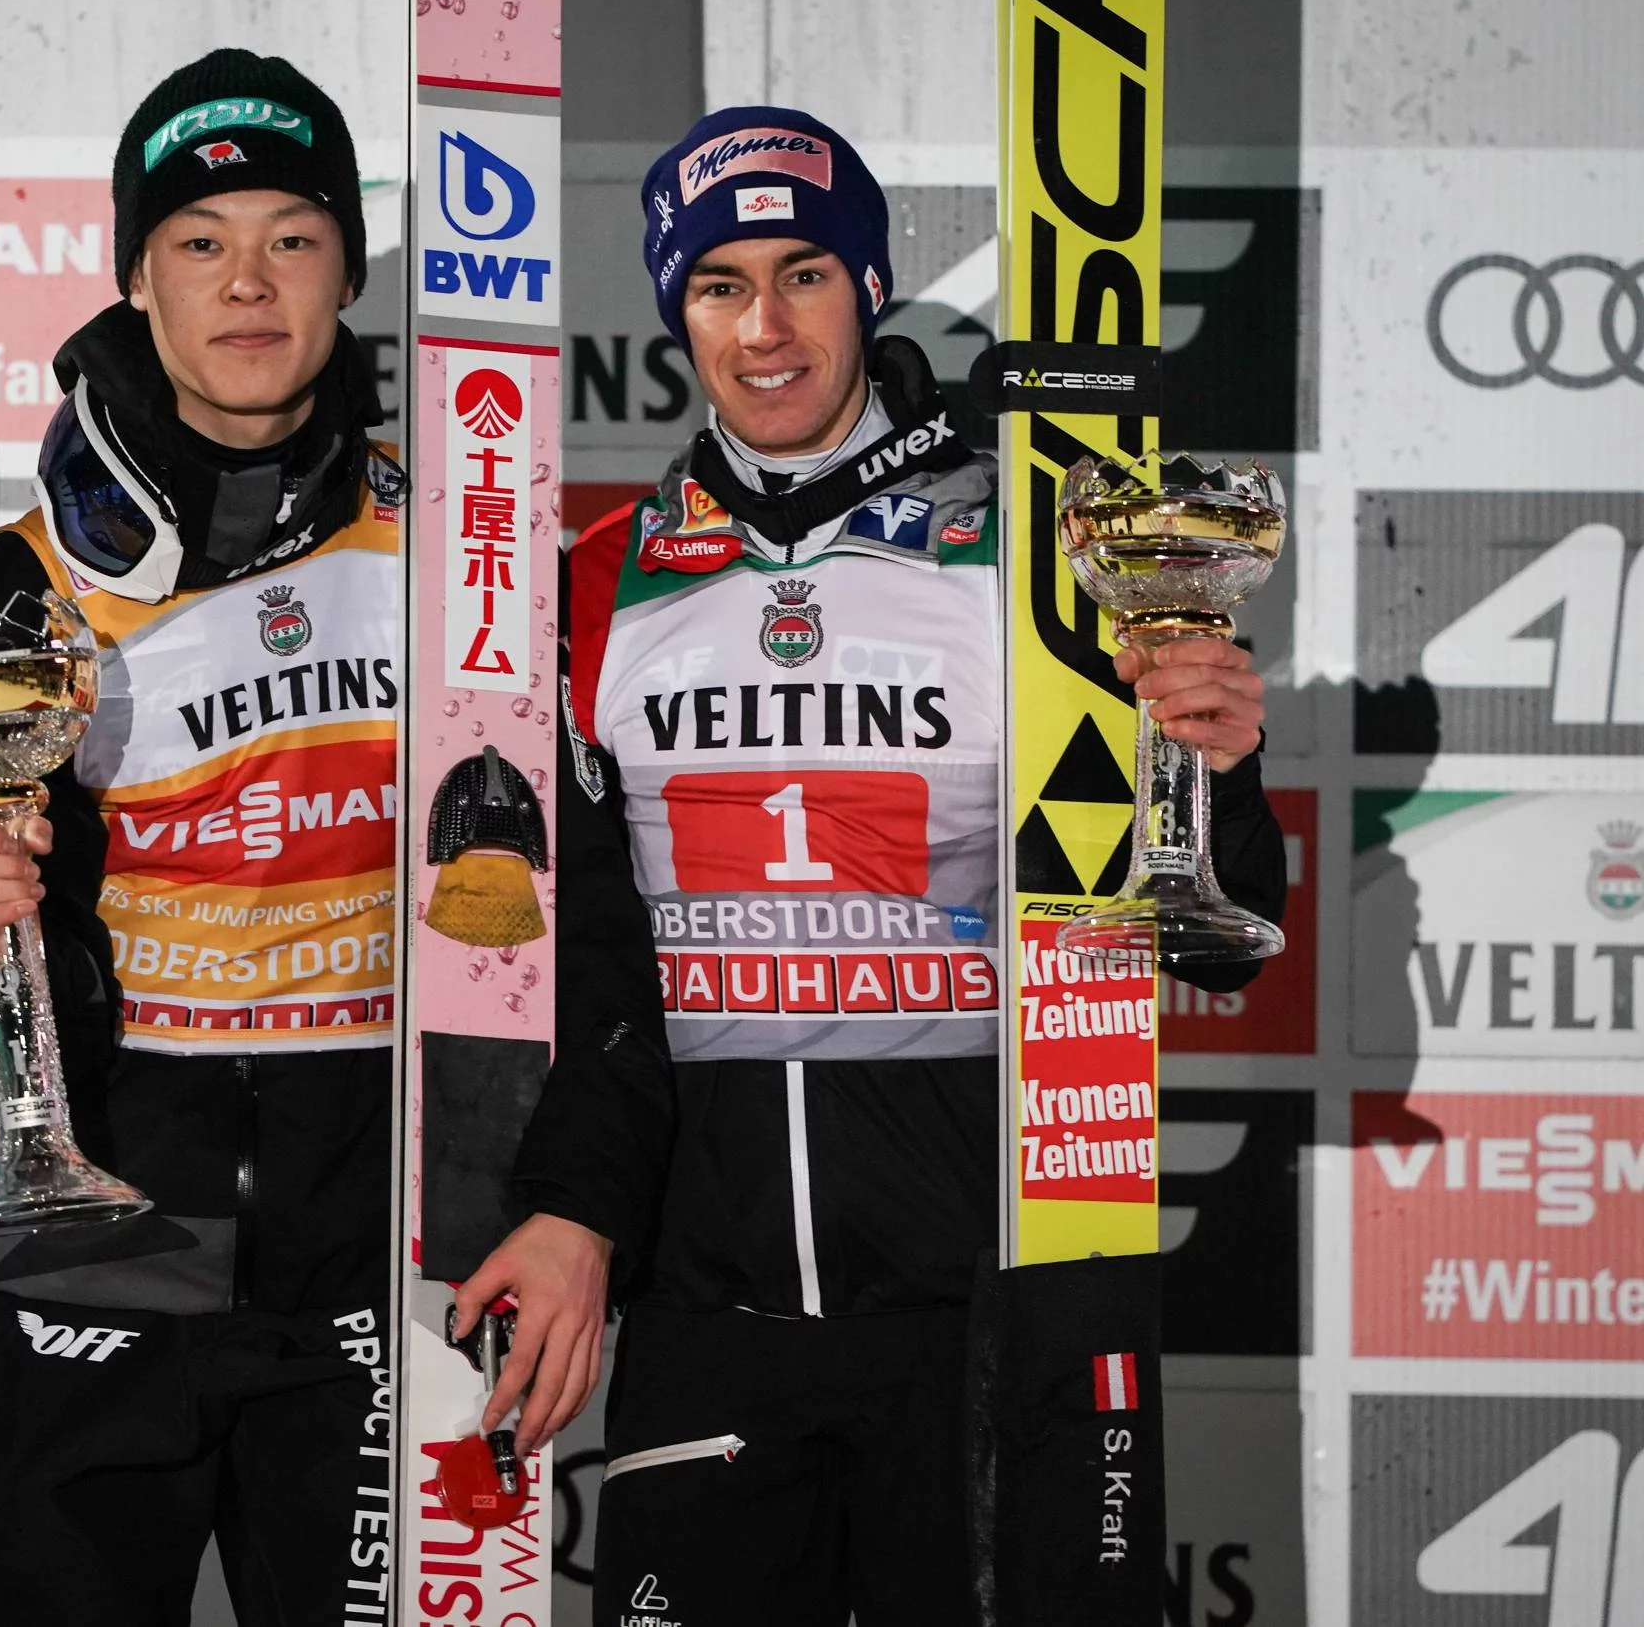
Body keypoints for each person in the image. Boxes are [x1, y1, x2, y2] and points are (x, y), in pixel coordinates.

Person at [451, 107, 1289, 1624]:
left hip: (984, 1319)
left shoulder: (1032, 557)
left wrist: (1217, 769)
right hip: (711, 1325)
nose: (764, 329)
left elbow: (1206, 938)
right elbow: (593, 979)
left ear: (869, 286)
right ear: (674, 312)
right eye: (719, 286)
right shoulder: (591, 589)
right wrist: (577, 1206)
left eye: (804, 276)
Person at [0, 49, 400, 1621]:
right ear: (135, 271)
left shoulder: (463, 541)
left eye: (292, 236)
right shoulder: (12, 577)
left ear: (345, 270)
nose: (247, 283)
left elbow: (557, 900)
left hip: (372, 1253)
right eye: (199, 241)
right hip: (94, 1241)